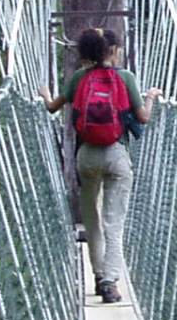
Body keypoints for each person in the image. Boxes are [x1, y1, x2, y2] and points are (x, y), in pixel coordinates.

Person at [39, 27, 159, 304]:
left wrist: (45, 93)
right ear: (113, 51)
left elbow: (52, 107)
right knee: (113, 222)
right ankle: (110, 282)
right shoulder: (125, 77)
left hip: (86, 157)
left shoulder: (79, 77)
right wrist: (151, 96)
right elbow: (142, 118)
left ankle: (98, 275)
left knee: (92, 219)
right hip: (116, 155)